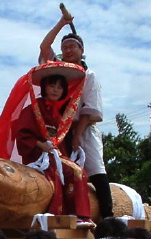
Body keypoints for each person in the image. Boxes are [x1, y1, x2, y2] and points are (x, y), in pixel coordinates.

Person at [39, 15, 113, 219]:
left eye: (73, 46)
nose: (69, 50)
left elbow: (91, 110)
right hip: (57, 129)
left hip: (84, 128)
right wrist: (61, 23)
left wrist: (77, 135)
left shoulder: (89, 75)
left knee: (95, 168)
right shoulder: (60, 72)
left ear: (82, 51)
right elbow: (44, 48)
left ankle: (108, 216)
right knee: (57, 169)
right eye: (66, 47)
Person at [14, 67, 92, 223]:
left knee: (79, 172)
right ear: (44, 87)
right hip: (38, 156)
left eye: (60, 87)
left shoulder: (60, 114)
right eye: (52, 86)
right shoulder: (31, 110)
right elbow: (22, 136)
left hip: (56, 155)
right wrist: (42, 146)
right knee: (55, 172)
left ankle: (79, 215)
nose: (56, 90)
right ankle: (56, 214)